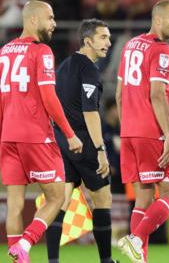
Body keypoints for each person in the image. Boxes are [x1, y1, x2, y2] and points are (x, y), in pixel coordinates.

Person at [0, 0, 83, 263]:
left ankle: (18, 259)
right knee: (56, 197)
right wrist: (69, 133)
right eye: (50, 18)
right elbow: (49, 97)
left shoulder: (2, 53)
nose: (54, 24)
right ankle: (26, 243)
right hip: (36, 136)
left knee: (15, 204)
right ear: (32, 21)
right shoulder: (41, 51)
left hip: (9, 137)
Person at [115, 0, 169, 263]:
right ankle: (134, 240)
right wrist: (167, 135)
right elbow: (157, 94)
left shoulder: (130, 45)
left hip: (130, 131)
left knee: (142, 200)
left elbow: (120, 94)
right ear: (158, 20)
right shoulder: (161, 49)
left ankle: (137, 259)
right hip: (151, 131)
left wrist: (127, 129)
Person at [45, 19, 117, 263]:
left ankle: (53, 260)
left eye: (108, 37)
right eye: (103, 38)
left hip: (62, 140)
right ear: (88, 41)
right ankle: (106, 260)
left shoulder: (63, 66)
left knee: (60, 202)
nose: (109, 42)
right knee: (103, 199)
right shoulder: (88, 68)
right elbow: (90, 111)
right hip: (84, 143)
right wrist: (100, 149)